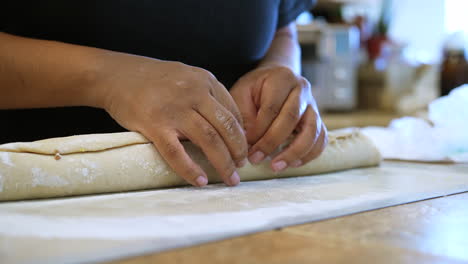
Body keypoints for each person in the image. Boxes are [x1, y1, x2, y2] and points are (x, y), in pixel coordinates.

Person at [0, 1, 327, 187]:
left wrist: (278, 69)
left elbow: (283, 27)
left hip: (232, 193)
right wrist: (109, 78)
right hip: (42, 190)